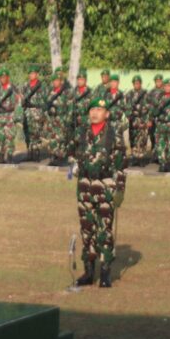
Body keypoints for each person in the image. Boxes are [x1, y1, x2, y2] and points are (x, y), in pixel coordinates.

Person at [69, 98, 126, 288]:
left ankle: (105, 273)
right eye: (92, 109)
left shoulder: (113, 134)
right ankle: (88, 271)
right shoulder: (81, 133)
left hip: (105, 187)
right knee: (87, 230)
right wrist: (74, 165)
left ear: (107, 114)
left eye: (99, 109)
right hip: (85, 186)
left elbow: (121, 164)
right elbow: (71, 151)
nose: (94, 112)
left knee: (104, 230)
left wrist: (120, 189)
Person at [152, 78, 170, 173]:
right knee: (160, 145)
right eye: (166, 86)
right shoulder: (159, 97)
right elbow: (153, 110)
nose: (168, 87)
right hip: (160, 124)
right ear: (163, 87)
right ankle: (162, 164)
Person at [0, 68, 19, 164]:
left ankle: (10, 157)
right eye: (0, 77)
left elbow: (17, 102)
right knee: (0, 137)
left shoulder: (12, 88)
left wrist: (16, 115)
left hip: (9, 115)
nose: (2, 79)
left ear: (8, 77)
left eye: (3, 77)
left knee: (10, 137)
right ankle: (1, 157)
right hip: (0, 116)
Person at [45, 72, 71, 166]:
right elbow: (47, 103)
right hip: (52, 120)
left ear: (61, 81)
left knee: (61, 139)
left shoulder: (66, 92)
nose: (55, 82)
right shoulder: (50, 91)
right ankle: (53, 157)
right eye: (54, 80)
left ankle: (61, 158)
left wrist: (68, 119)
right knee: (52, 138)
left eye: (57, 80)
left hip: (62, 118)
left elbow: (70, 106)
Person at [21, 65, 47, 162]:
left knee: (36, 133)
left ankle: (36, 154)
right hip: (27, 112)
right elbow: (22, 98)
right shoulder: (25, 85)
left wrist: (36, 105)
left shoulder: (42, 86)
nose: (31, 75)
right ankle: (29, 153)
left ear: (37, 74)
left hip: (37, 111)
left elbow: (45, 101)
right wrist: (23, 102)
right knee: (27, 132)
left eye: (33, 73)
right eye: (30, 74)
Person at [125, 75, 150, 167]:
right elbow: (126, 106)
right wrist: (128, 115)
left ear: (140, 83)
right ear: (133, 84)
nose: (137, 85)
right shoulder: (129, 94)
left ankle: (141, 158)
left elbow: (149, 107)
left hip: (142, 119)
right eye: (135, 83)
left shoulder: (145, 94)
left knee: (143, 138)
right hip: (133, 119)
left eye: (138, 83)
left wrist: (148, 118)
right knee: (133, 138)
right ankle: (134, 157)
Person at [102, 75, 127, 162]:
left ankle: (120, 160)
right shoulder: (106, 95)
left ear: (118, 83)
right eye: (112, 82)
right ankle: (108, 160)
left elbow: (127, 108)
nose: (113, 84)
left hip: (117, 122)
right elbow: (102, 107)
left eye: (115, 82)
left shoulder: (121, 95)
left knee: (118, 142)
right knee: (107, 142)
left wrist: (124, 117)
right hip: (108, 122)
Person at [72, 68, 93, 154]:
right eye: (79, 79)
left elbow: (92, 107)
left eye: (82, 79)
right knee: (76, 139)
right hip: (75, 119)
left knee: (86, 139)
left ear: (85, 80)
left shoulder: (90, 92)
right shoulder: (73, 92)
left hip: (86, 119)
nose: (80, 81)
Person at [147, 74, 164, 162]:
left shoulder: (165, 91)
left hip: (162, 118)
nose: (158, 82)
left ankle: (160, 156)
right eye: (157, 81)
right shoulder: (151, 92)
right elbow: (149, 107)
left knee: (160, 137)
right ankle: (154, 155)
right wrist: (149, 119)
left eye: (160, 81)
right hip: (153, 118)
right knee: (152, 136)